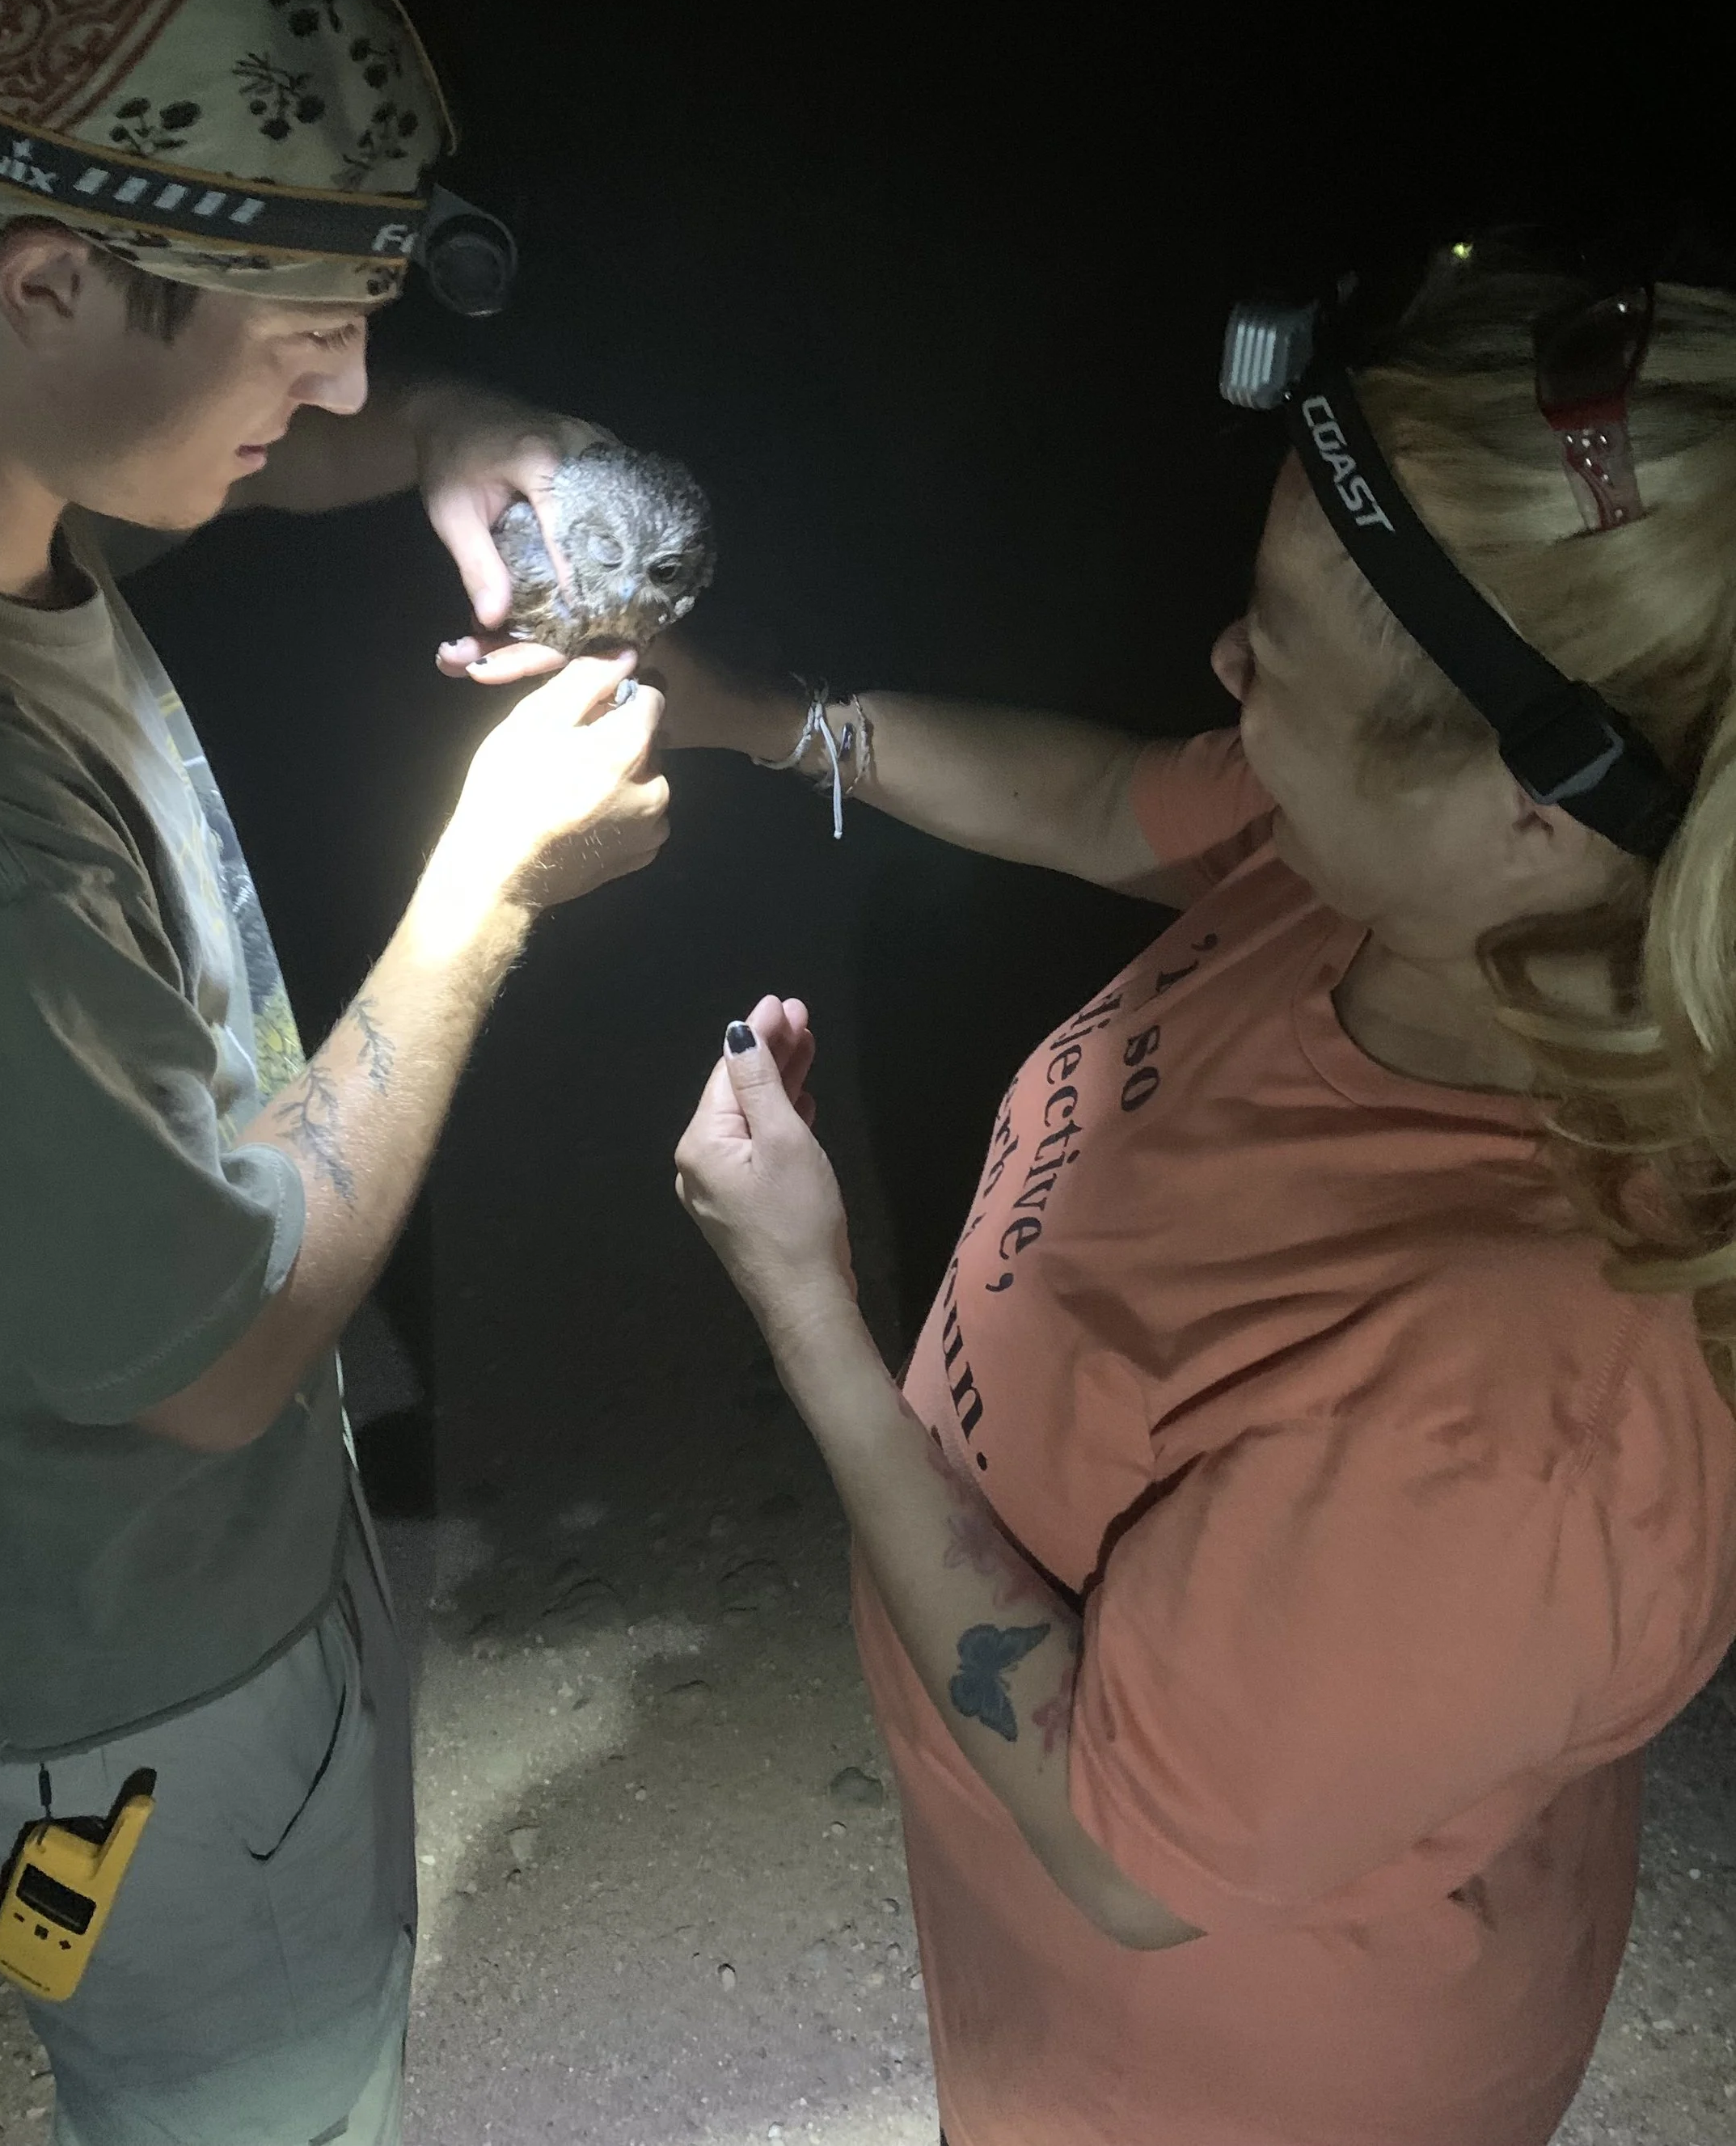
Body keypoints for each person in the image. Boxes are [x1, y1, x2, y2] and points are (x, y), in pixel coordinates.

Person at [0, 0, 666, 2146]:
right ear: (43, 279)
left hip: (22, 1630)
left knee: (130, 2017)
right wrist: (489, 886)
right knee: (255, 2089)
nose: (338, 394)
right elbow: (231, 1347)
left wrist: (463, 434)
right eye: (305, 334)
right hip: (129, 1687)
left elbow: (163, 480)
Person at [659, 237, 1736, 2144]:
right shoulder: (1410, 894)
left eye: (1278, 640)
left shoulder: (1514, 1397)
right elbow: (1090, 802)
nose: (1223, 663)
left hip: (1244, 2068)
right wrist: (766, 722)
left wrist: (806, 1309)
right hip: (1044, 1955)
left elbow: (1123, 1852)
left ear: (1528, 799)